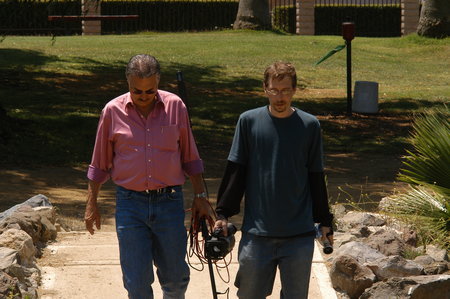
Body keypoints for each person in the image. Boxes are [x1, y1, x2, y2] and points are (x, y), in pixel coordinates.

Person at [84, 54, 211, 299]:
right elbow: (99, 163)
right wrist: (92, 203)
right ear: (127, 83)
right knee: (136, 283)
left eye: (149, 91)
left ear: (158, 82)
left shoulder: (176, 106)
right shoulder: (112, 111)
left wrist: (200, 196)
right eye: (136, 91)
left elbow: (190, 157)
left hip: (169, 203)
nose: (143, 97)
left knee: (175, 279)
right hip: (130, 205)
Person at [213, 61, 334, 299]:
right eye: (275, 90)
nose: (280, 97)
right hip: (257, 234)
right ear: (265, 89)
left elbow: (316, 177)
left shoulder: (309, 125)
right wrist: (222, 214)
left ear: (295, 90)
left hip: (298, 236)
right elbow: (236, 171)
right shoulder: (248, 121)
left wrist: (324, 220)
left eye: (286, 90)